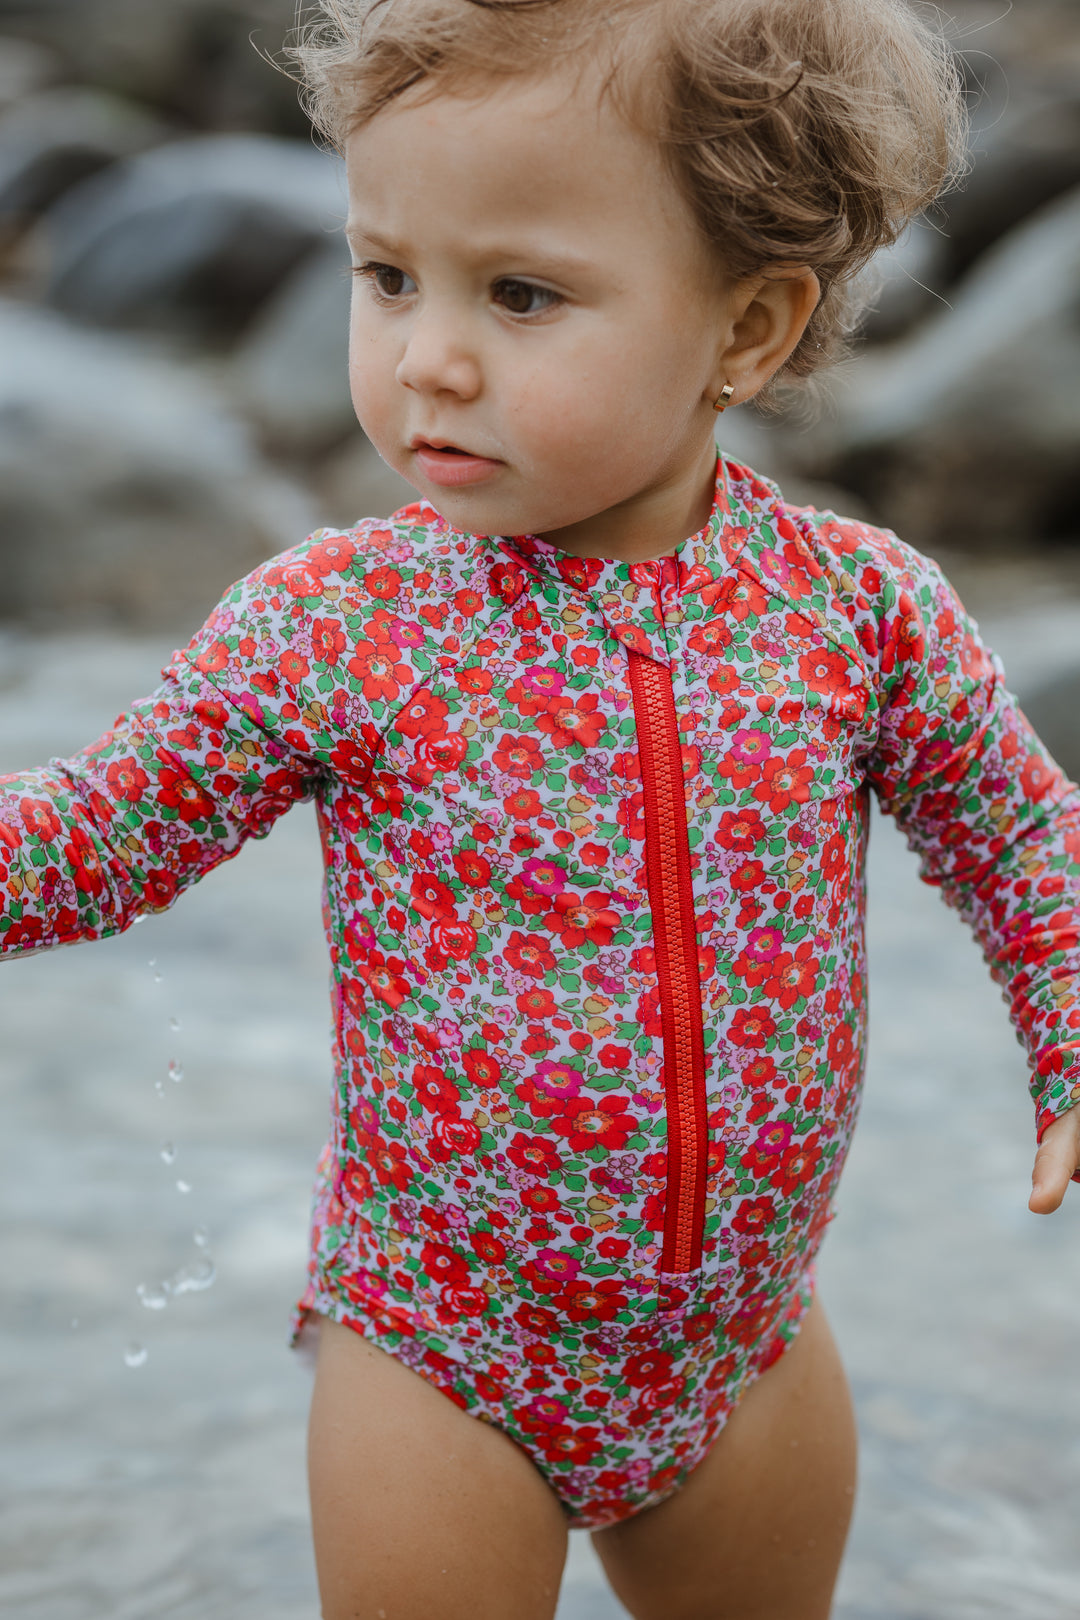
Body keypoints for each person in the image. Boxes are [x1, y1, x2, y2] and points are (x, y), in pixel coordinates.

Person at [4, 0, 1080, 1615]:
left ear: (748, 330)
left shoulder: (856, 610)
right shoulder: (344, 625)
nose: (427, 354)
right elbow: (91, 838)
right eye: (385, 276)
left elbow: (1019, 834)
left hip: (748, 1346)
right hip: (443, 1355)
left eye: (521, 293)